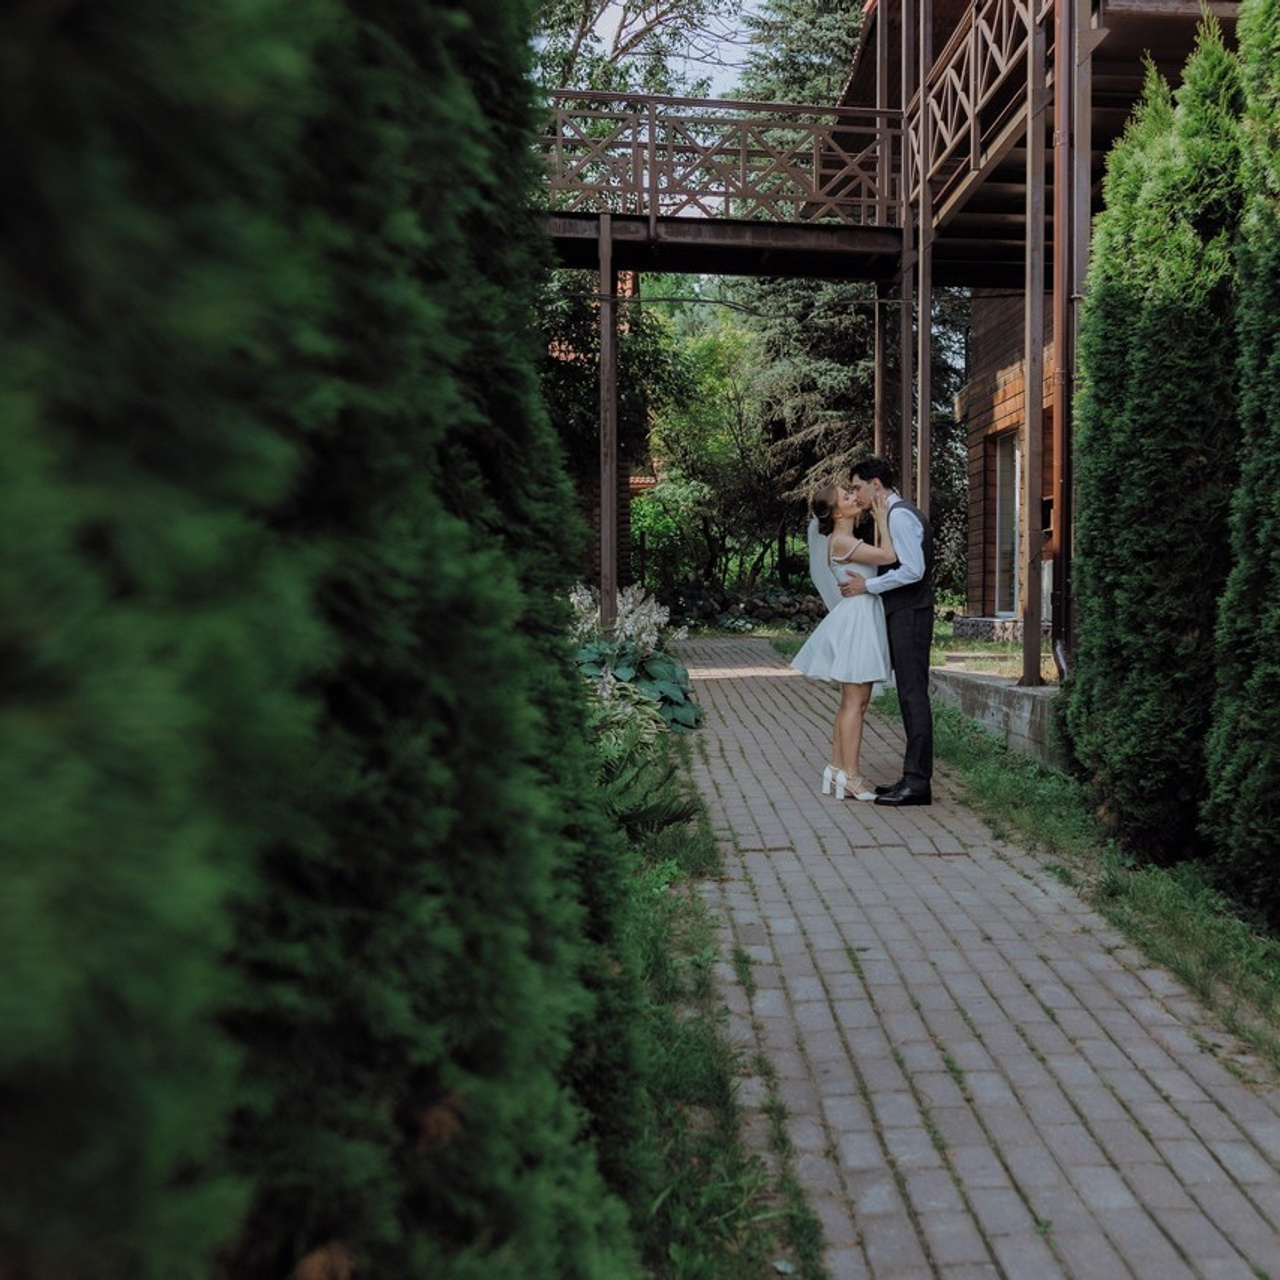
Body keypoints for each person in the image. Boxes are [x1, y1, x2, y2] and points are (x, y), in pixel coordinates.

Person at [791, 482, 899, 802]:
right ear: (838, 512)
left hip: (859, 618)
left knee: (852, 702)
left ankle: (837, 768)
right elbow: (889, 556)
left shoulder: (844, 540)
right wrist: (881, 517)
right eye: (846, 496)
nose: (854, 496)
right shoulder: (841, 541)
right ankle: (851, 776)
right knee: (856, 703)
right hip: (858, 623)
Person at [839, 456, 935, 806]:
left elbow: (913, 570)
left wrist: (869, 588)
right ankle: (911, 778)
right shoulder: (891, 515)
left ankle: (918, 784)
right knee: (909, 695)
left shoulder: (900, 516)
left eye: (857, 487)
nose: (856, 494)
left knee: (913, 695)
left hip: (911, 613)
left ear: (875, 484)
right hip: (904, 612)